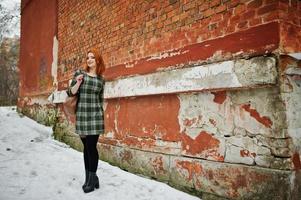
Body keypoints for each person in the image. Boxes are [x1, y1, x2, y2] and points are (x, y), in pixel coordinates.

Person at [66, 48, 105, 193]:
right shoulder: (80, 74)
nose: (89, 60)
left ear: (98, 61)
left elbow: (100, 100)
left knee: (91, 147)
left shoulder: (101, 80)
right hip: (82, 116)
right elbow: (70, 92)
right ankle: (91, 178)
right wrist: (77, 82)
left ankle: (91, 180)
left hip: (95, 117)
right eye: (88, 57)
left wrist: (101, 114)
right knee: (86, 148)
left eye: (92, 57)